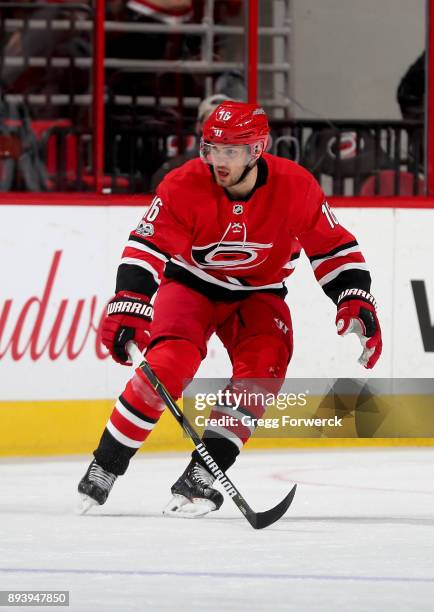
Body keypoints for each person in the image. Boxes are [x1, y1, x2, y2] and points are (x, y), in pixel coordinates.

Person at [78, 101, 383, 517]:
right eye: (211, 148)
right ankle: (106, 465)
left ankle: (204, 473)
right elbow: (147, 245)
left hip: (260, 293)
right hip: (191, 285)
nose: (217, 160)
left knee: (264, 369)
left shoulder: (296, 187)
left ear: (257, 150)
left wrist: (354, 297)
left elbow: (333, 247)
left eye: (230, 151)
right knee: (167, 366)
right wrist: (131, 301)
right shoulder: (183, 184)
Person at [149, 93, 233, 191]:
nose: (219, 129)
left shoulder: (249, 170)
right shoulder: (172, 171)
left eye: (227, 122)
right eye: (212, 122)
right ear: (199, 127)